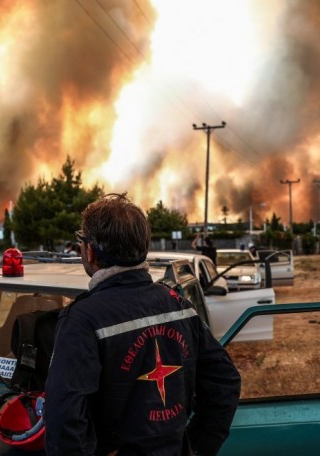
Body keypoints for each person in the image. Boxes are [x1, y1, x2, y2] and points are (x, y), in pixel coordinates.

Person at [45, 193, 241, 456]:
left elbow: (64, 420)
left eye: (81, 240)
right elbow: (225, 381)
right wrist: (196, 446)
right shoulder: (177, 305)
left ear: (90, 251)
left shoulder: (82, 319)